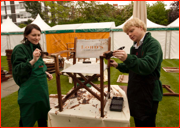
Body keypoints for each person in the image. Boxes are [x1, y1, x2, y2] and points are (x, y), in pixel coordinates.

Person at [109, 18, 163, 127]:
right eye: (127, 33)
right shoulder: (135, 46)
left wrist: (127, 58)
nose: (129, 34)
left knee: (146, 122)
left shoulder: (153, 44)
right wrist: (118, 65)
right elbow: (134, 67)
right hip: (136, 90)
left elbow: (147, 66)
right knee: (138, 120)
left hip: (148, 91)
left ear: (141, 27)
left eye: (131, 30)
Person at [11, 24, 53, 127]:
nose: (37, 38)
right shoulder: (20, 49)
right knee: (27, 117)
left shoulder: (37, 47)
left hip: (42, 90)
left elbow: (39, 66)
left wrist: (45, 72)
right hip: (29, 91)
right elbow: (18, 70)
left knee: (43, 116)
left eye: (39, 35)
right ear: (26, 35)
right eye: (34, 35)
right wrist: (33, 60)